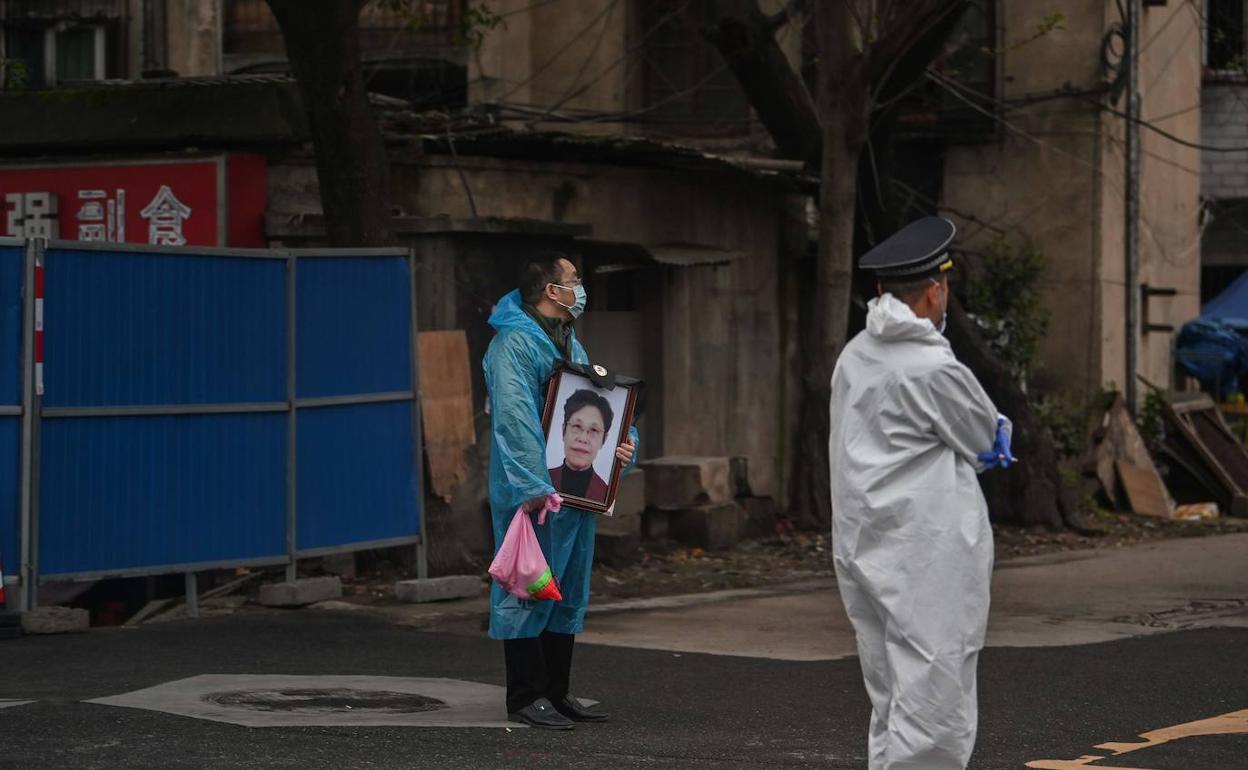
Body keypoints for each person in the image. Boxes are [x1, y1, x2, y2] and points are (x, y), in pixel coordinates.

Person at [828, 216, 1014, 769]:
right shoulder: (932, 365)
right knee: (935, 691)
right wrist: (996, 431)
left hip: (864, 542)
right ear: (935, 292)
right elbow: (983, 436)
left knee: (889, 691)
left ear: (882, 291)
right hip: (926, 549)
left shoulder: (855, 355)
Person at [483, 253, 639, 730]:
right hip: (534, 493)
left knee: (566, 588)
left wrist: (619, 451)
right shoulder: (513, 345)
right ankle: (526, 695)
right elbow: (514, 419)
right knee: (528, 584)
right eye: (574, 280)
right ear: (553, 290)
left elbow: (597, 405)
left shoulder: (567, 341)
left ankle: (557, 691)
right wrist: (533, 485)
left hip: (571, 492)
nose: (580, 287)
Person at [549, 389, 613, 502]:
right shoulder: (541, 483)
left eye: (593, 429)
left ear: (604, 439)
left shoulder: (605, 494)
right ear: (564, 430)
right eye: (577, 426)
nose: (583, 439)